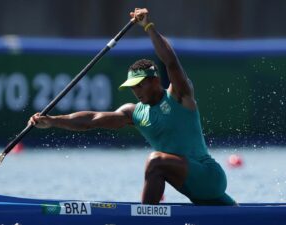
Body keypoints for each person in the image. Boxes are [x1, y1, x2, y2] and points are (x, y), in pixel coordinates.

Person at [29, 8, 236, 206]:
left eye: (139, 85)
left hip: (209, 177)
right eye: (131, 87)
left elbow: (171, 62)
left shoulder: (180, 95)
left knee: (155, 162)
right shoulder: (134, 112)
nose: (135, 91)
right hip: (192, 189)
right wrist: (52, 121)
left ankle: (144, 217)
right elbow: (91, 120)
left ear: (155, 81)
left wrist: (148, 26)